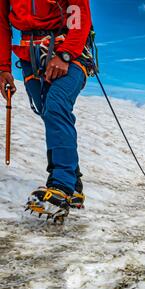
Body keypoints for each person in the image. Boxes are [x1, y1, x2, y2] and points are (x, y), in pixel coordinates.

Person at [0, 0, 94, 220]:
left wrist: (66, 54)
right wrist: (3, 67)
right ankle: (74, 183)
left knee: (56, 106)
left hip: (69, 50)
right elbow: (3, 25)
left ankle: (61, 187)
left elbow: (79, 11)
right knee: (49, 112)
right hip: (30, 56)